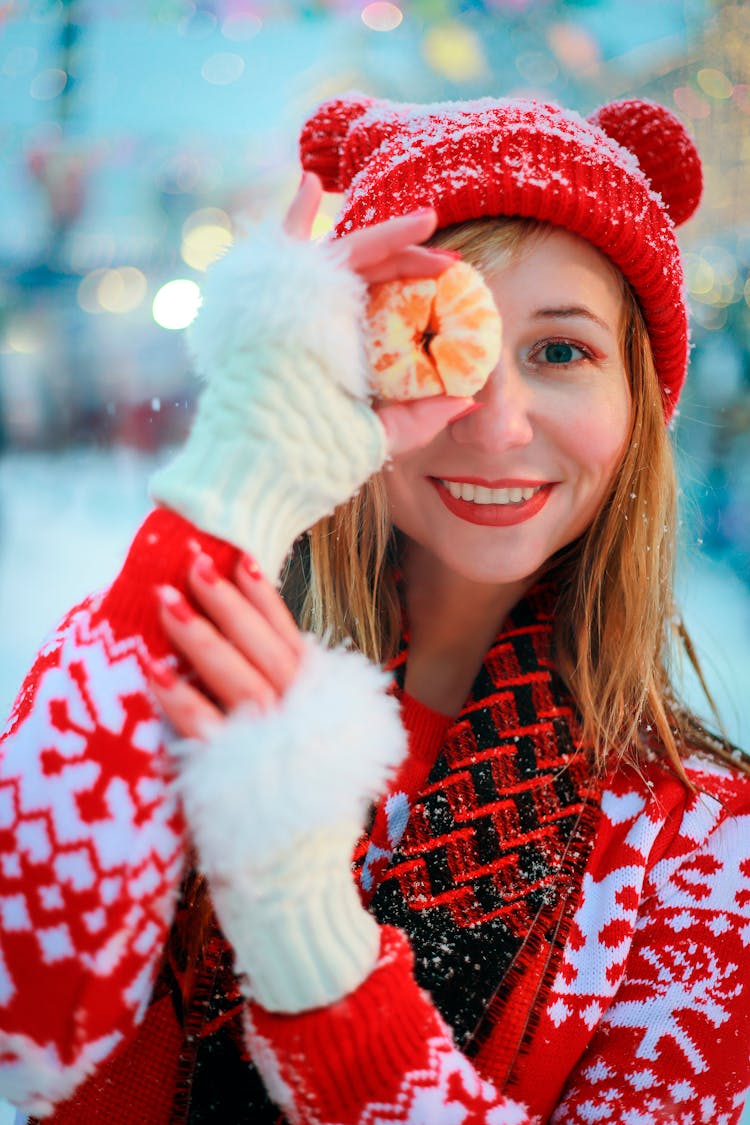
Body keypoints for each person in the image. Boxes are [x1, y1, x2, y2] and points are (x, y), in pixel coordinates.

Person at [1, 92, 749, 1125]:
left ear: (638, 401)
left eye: (562, 351)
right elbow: (25, 1023)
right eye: (438, 340)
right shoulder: (161, 661)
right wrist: (236, 489)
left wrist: (304, 927)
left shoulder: (699, 851)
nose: (495, 424)